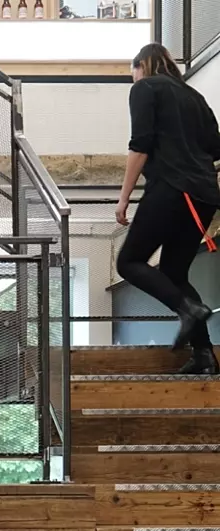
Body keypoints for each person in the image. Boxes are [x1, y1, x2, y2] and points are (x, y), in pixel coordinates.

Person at [116, 42, 220, 374]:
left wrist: (124, 197)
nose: (134, 82)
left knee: (129, 262)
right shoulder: (195, 97)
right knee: (175, 273)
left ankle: (188, 310)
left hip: (172, 189)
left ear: (141, 67)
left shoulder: (145, 87)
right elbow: (215, 148)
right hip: (204, 196)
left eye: (133, 76)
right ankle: (204, 356)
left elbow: (140, 144)